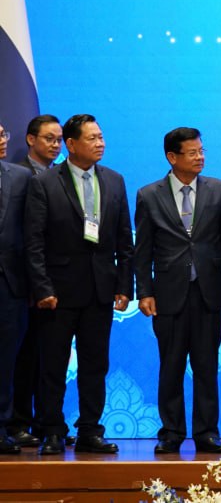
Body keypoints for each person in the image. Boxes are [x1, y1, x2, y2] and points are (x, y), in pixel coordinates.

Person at [23, 114, 133, 455]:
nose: (100, 143)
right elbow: (34, 241)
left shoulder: (114, 180)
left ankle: (90, 431)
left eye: (101, 137)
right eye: (92, 138)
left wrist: (124, 285)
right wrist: (42, 288)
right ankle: (52, 430)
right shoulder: (44, 182)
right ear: (71, 145)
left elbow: (123, 239)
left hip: (100, 290)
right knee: (53, 365)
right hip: (57, 292)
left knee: (95, 365)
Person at [134, 127, 221, 455]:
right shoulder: (149, 195)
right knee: (171, 365)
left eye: (201, 151)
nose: (200, 157)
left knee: (207, 366)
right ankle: (171, 432)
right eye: (192, 153)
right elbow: (143, 250)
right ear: (172, 157)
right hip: (168, 294)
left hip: (209, 292)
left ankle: (207, 432)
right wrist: (144, 291)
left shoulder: (218, 189)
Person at [7, 114, 60, 448]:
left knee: (48, 359)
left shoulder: (63, 176)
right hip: (23, 284)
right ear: (30, 140)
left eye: (59, 140)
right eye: (48, 139)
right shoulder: (16, 175)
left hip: (60, 283)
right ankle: (17, 422)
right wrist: (34, 283)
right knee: (23, 358)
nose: (55, 145)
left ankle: (47, 423)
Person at [0, 157, 32, 454]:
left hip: (10, 283)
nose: (2, 140)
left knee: (6, 360)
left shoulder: (21, 177)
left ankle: (2, 427)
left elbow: (33, 232)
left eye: (2, 135)